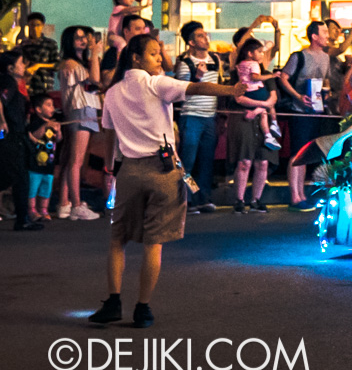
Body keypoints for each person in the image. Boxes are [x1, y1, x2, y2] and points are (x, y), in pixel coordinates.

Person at [88, 34, 246, 328]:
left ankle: (113, 301)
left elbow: (109, 134)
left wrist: (110, 167)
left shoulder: (111, 93)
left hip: (129, 172)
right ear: (136, 58)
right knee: (154, 243)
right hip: (163, 171)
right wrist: (232, 89)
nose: (159, 58)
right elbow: (197, 87)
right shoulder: (156, 84)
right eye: (153, 53)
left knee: (117, 240)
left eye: (158, 53)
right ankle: (142, 308)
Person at [276, 21, 332, 211]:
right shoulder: (299, 56)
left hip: (317, 110)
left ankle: (302, 194)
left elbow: (325, 81)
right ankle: (295, 196)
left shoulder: (326, 57)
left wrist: (327, 93)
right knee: (297, 152)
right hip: (299, 110)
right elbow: (283, 77)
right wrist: (298, 96)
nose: (328, 35)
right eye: (324, 32)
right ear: (314, 36)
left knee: (307, 152)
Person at [55, 26, 104, 220]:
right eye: (78, 38)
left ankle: (64, 203)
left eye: (85, 38)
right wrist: (95, 53)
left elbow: (94, 84)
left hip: (84, 109)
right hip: (80, 109)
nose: (83, 41)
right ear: (69, 41)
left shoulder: (78, 64)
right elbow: (95, 79)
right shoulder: (70, 64)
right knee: (76, 160)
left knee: (71, 159)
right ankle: (75, 205)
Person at [174, 22, 220, 213]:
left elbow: (217, 85)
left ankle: (203, 198)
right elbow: (183, 91)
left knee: (206, 161)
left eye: (205, 34)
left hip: (210, 117)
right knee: (188, 161)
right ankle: (187, 198)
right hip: (191, 116)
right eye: (200, 36)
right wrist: (197, 78)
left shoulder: (215, 59)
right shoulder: (184, 63)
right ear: (191, 42)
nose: (205, 38)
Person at [0, 52, 42, 230]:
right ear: (11, 68)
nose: (24, 66)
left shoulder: (15, 84)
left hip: (16, 134)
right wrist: (2, 121)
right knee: (18, 177)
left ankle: (23, 218)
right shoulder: (8, 82)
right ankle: (22, 219)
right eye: (20, 63)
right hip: (10, 136)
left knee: (10, 176)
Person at [234, 37, 281, 150]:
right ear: (250, 53)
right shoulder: (254, 64)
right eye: (259, 52)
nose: (262, 55)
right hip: (255, 91)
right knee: (270, 103)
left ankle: (267, 135)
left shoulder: (240, 64)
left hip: (246, 92)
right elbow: (255, 77)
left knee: (264, 112)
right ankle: (274, 123)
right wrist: (272, 75)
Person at [25, 93, 60, 221]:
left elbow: (58, 140)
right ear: (39, 109)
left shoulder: (52, 123)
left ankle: (43, 209)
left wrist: (58, 131)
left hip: (49, 163)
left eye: (53, 106)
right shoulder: (35, 122)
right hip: (35, 164)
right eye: (49, 105)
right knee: (33, 188)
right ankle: (32, 209)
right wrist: (45, 126)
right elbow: (35, 135)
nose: (52, 108)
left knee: (46, 187)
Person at [18, 13, 60, 98]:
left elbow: (57, 65)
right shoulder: (23, 45)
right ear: (28, 26)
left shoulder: (50, 44)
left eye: (38, 25)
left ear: (42, 26)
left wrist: (38, 65)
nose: (35, 28)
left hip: (44, 85)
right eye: (32, 25)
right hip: (27, 84)